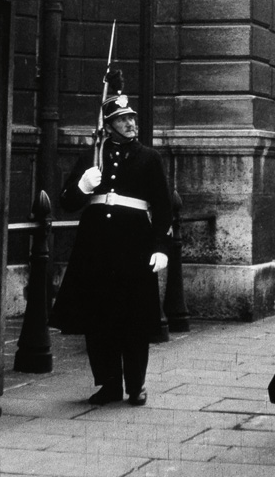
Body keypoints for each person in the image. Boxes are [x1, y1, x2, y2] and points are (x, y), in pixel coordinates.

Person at [50, 91, 172, 407]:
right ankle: (108, 384)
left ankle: (135, 385)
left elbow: (162, 207)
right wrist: (82, 187)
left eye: (132, 117)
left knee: (134, 320)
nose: (130, 123)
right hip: (96, 249)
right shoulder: (92, 158)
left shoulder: (149, 158)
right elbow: (66, 203)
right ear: (109, 125)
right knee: (98, 319)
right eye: (122, 119)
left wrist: (160, 247)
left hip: (133, 247)